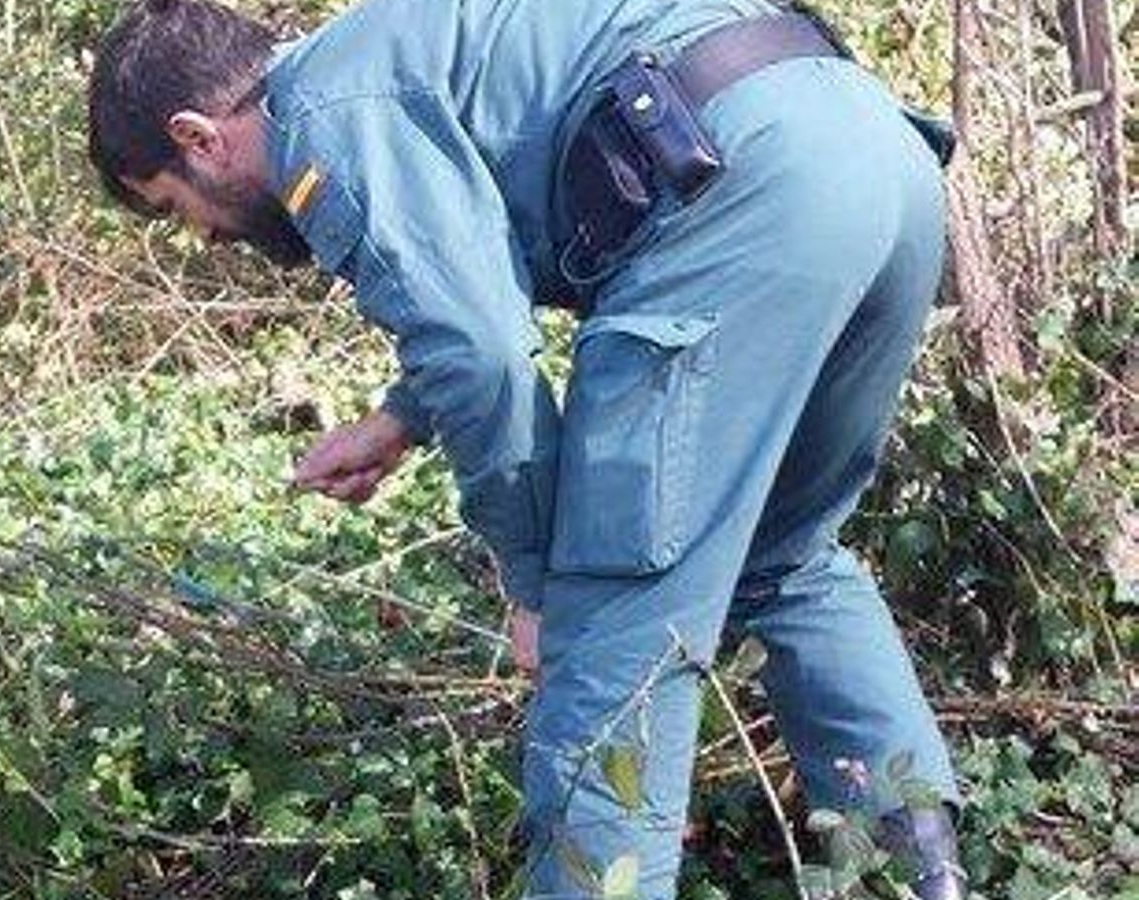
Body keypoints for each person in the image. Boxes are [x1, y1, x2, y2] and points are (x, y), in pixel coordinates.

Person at [87, 0, 967, 896]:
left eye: (174, 208)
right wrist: (402, 417)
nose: (204, 238)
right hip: (874, 157)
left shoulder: (319, 118)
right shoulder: (380, 55)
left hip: (739, 197)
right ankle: (920, 876)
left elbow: (481, 355)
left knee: (611, 635)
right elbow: (480, 281)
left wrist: (535, 584)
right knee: (784, 557)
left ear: (197, 138)